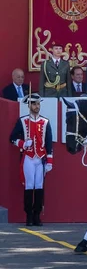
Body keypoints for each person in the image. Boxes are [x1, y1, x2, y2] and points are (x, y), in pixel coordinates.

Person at [9, 93, 53, 227]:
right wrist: (22, 143)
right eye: (34, 104)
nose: (36, 106)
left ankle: (37, 215)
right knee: (29, 185)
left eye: (38, 104)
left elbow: (49, 143)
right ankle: (28, 215)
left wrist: (50, 161)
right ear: (29, 105)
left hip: (40, 158)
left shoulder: (45, 122)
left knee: (39, 185)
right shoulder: (22, 121)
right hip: (28, 157)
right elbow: (11, 138)